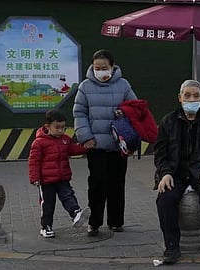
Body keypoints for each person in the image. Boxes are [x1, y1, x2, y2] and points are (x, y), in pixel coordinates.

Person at [154, 80, 200, 264]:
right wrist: (165, 173)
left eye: (195, 95)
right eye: (187, 95)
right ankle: (172, 247)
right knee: (165, 199)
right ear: (180, 97)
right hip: (175, 174)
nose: (191, 99)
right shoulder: (167, 121)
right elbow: (160, 155)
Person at [73, 49, 137, 236]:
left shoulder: (124, 85)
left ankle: (116, 221)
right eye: (97, 68)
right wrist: (85, 137)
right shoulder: (85, 87)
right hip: (96, 146)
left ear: (112, 67)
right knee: (97, 183)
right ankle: (94, 222)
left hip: (119, 145)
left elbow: (135, 107)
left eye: (104, 68)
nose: (101, 72)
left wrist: (124, 112)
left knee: (117, 184)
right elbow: (79, 113)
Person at [28, 109, 90, 238]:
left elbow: (73, 149)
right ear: (47, 126)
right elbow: (34, 161)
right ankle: (46, 227)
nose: (61, 131)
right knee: (48, 205)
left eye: (63, 128)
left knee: (68, 196)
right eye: (57, 128)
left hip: (62, 178)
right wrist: (34, 178)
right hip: (46, 181)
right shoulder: (39, 143)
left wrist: (86, 147)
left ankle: (76, 213)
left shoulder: (65, 140)